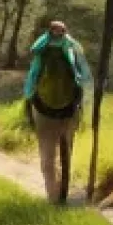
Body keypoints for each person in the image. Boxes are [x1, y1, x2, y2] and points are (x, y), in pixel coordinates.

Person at [23, 21, 92, 205]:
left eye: (60, 31)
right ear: (50, 31)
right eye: (55, 30)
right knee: (50, 156)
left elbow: (81, 71)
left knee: (56, 154)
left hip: (67, 106)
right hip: (46, 106)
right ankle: (53, 194)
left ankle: (59, 192)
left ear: (64, 31)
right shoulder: (42, 48)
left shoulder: (70, 47)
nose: (57, 34)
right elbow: (35, 69)